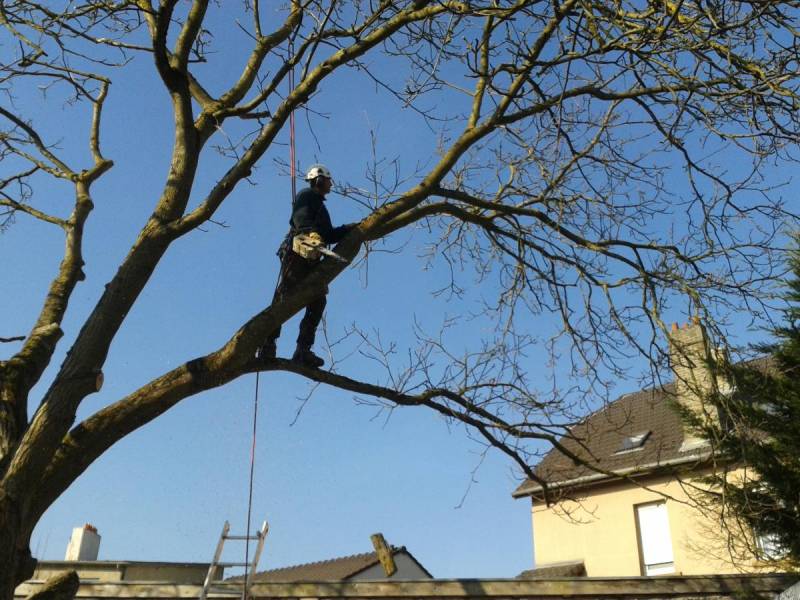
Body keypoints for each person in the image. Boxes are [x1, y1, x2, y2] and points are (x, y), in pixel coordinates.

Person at [259, 164, 353, 367]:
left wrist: (348, 229)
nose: (330, 184)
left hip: (313, 257)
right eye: (328, 180)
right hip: (297, 253)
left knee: (318, 302)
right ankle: (267, 342)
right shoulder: (306, 195)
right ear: (318, 179)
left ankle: (303, 350)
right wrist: (310, 232)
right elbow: (299, 218)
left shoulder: (321, 207)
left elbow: (328, 235)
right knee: (284, 296)